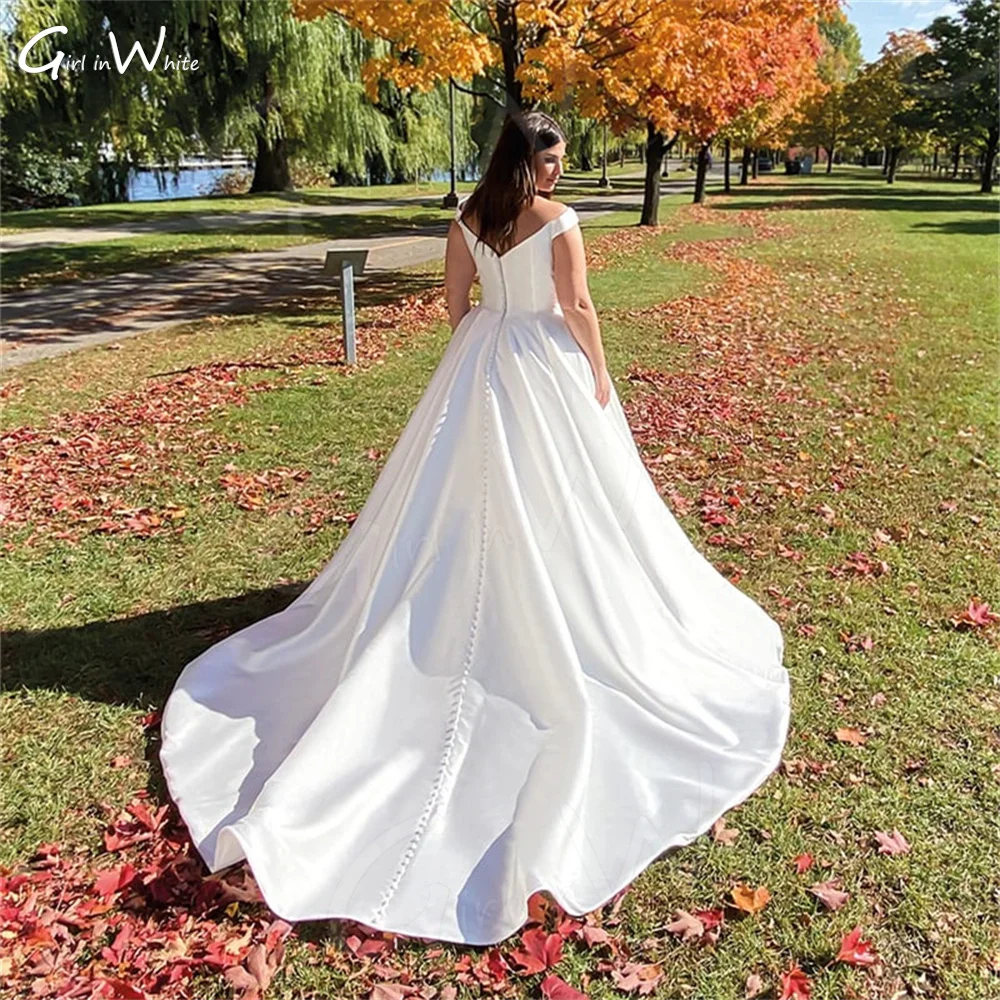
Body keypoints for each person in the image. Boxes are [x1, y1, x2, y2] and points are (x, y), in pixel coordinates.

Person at [159, 110, 790, 948]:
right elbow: (579, 305)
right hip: (544, 364)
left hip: (482, 360)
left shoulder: (467, 216)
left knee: (455, 498)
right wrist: (598, 373)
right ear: (535, 163)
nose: (561, 173)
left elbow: (452, 303)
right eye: (556, 160)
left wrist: (479, 347)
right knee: (565, 496)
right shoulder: (559, 222)